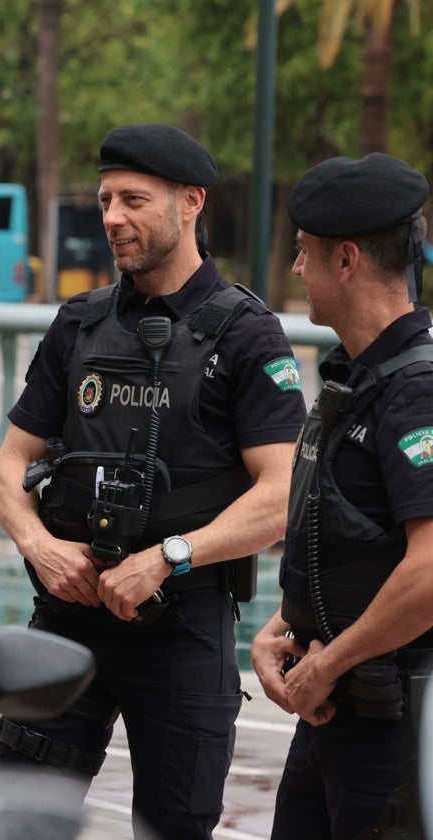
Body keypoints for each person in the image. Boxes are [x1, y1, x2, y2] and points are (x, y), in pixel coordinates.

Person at [0, 123, 307, 838]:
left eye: (133, 200)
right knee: (21, 823)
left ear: (190, 202)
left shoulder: (247, 335)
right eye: (105, 200)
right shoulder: (78, 324)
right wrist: (39, 545)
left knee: (174, 823)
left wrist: (170, 555)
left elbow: (282, 493)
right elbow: (9, 467)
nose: (112, 218)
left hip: (180, 623)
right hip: (68, 614)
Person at [250, 153, 433, 839]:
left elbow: (429, 568)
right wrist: (286, 628)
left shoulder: (415, 390)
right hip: (337, 709)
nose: (297, 270)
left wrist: (328, 661)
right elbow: (357, 541)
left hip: (391, 725)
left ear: (347, 260)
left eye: (304, 253)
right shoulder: (361, 379)